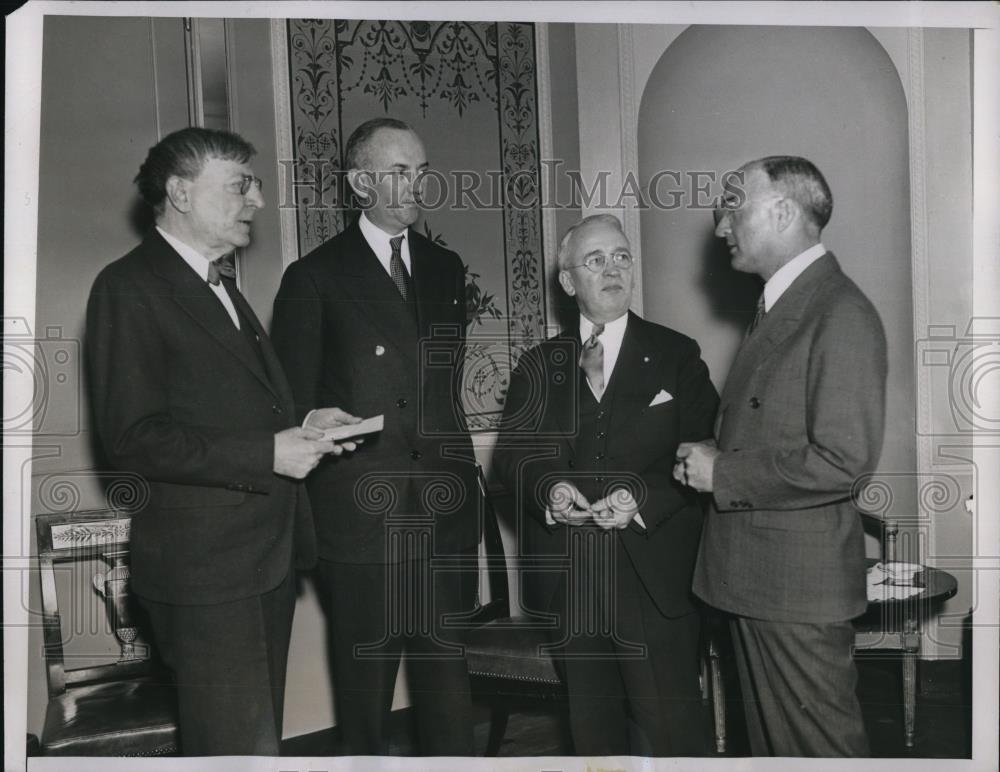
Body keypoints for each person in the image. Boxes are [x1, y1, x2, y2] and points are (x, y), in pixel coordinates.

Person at [86, 127, 361, 755]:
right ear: (180, 193)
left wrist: (305, 423)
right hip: (206, 574)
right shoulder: (128, 287)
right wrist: (269, 453)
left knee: (252, 745)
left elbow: (225, 407)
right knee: (235, 751)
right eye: (240, 185)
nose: (257, 200)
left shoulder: (219, 284)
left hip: (263, 559)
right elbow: (133, 437)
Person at [270, 117, 479, 755]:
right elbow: (292, 406)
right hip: (361, 522)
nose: (416, 184)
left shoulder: (446, 268)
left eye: (420, 169)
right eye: (398, 171)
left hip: (442, 513)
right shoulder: (314, 277)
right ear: (361, 182)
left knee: (448, 695)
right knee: (365, 700)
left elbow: (443, 390)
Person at [676, 156, 888, 757]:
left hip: (794, 590)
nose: (720, 227)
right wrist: (722, 450)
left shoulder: (838, 311)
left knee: (818, 753)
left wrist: (725, 471)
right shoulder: (784, 306)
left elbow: (845, 461)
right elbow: (782, 432)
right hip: (763, 583)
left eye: (731, 207)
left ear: (782, 211)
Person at [493, 214, 718, 756]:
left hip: (653, 575)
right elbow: (515, 458)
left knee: (669, 732)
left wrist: (640, 498)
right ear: (568, 281)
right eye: (595, 260)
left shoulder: (676, 353)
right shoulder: (538, 364)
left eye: (621, 256)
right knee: (594, 735)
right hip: (572, 582)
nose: (613, 269)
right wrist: (550, 490)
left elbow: (705, 449)